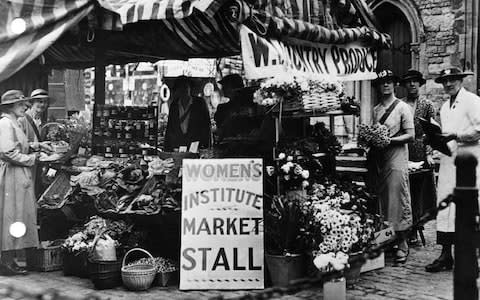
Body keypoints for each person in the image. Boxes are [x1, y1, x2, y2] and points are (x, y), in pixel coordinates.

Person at [425, 66, 479, 272]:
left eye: (453, 80)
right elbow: (446, 135)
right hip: (449, 163)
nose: (448, 84)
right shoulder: (446, 107)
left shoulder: (472, 101)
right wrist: (434, 141)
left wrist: (455, 136)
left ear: (461, 80)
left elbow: (478, 130)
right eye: (445, 81)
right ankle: (446, 255)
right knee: (446, 207)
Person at [371, 70, 414, 263]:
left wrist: (389, 140)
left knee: (398, 199)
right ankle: (386, 241)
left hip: (397, 158)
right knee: (383, 201)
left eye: (389, 82)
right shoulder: (376, 110)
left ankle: (403, 245)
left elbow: (410, 135)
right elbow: (374, 133)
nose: (385, 85)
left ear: (394, 84)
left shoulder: (402, 107)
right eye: (382, 82)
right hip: (380, 160)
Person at [0, 90, 40, 275]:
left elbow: (18, 145)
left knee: (18, 216)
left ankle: (11, 259)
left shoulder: (13, 123)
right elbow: (7, 153)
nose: (26, 106)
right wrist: (33, 158)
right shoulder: (5, 123)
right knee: (11, 216)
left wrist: (37, 146)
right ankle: (7, 262)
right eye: (21, 104)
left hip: (18, 175)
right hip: (11, 176)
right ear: (10, 106)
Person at [400, 69, 437, 245]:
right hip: (403, 151)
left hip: (421, 152)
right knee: (404, 191)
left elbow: (432, 133)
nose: (412, 84)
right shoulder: (400, 105)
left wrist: (429, 153)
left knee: (418, 193)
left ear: (420, 84)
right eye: (409, 82)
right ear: (405, 85)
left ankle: (415, 227)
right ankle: (403, 228)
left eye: (415, 81)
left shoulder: (427, 105)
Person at [18, 89, 53, 197]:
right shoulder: (22, 120)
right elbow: (19, 145)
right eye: (39, 101)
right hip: (24, 165)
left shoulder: (42, 121)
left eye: (45, 102)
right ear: (32, 103)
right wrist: (39, 145)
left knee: (35, 193)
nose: (42, 105)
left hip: (37, 164)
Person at [164, 76, 211, 152]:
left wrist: (205, 146)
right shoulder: (174, 105)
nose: (183, 90)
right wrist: (167, 148)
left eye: (185, 87)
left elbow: (206, 126)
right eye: (180, 87)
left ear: (190, 88)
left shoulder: (199, 103)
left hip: (195, 147)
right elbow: (170, 128)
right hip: (178, 147)